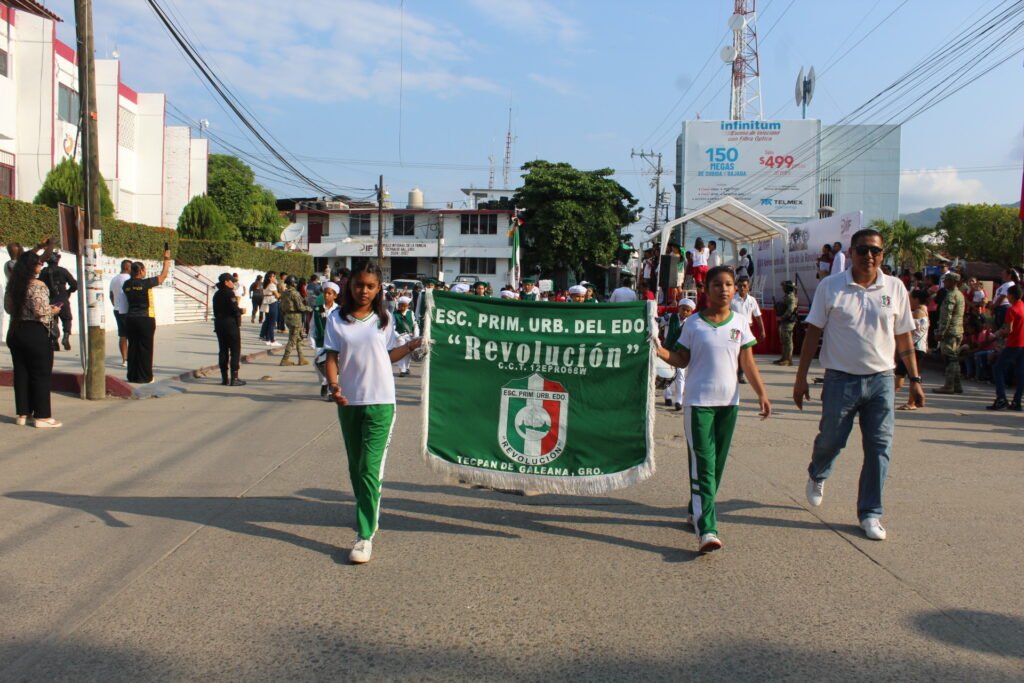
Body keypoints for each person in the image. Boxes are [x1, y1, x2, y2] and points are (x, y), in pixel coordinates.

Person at [794, 228, 923, 542]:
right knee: (831, 440)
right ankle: (818, 473)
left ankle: (870, 513)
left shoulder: (895, 287)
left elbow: (904, 335)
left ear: (882, 255)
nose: (869, 256)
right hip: (840, 379)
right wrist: (800, 378)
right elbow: (813, 333)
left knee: (880, 448)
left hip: (882, 381)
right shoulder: (831, 286)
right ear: (851, 253)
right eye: (863, 250)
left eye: (875, 251)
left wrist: (915, 379)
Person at [655, 265, 771, 553]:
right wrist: (658, 350)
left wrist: (762, 393)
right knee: (704, 465)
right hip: (698, 404)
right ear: (706, 289)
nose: (724, 289)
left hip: (728, 404)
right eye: (717, 284)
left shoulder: (740, 322)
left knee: (716, 465)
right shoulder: (693, 324)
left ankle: (695, 509)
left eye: (729, 284)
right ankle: (707, 528)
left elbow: (747, 362)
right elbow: (681, 359)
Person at [323, 261, 422, 564]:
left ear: (379, 289)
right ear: (349, 286)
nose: (363, 291)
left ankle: (364, 535)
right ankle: (366, 509)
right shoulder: (336, 318)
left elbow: (387, 355)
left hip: (381, 401)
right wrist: (334, 386)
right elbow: (331, 356)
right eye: (359, 285)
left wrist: (413, 345)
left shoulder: (384, 318)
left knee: (369, 467)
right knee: (356, 467)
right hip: (349, 402)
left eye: (370, 286)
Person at [4, 250, 63, 427]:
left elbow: (8, 308)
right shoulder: (37, 285)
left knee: (21, 373)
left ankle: (23, 413)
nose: (41, 265)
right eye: (38, 262)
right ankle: (42, 416)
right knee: (40, 373)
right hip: (35, 331)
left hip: (16, 330)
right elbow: (40, 311)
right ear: (33, 266)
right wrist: (53, 310)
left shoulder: (13, 284)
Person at [122, 250, 172, 384]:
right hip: (145, 318)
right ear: (141, 271)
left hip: (130, 318)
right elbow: (163, 276)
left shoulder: (126, 285)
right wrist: (166, 260)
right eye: (144, 270)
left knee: (133, 347)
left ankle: (132, 375)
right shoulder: (145, 283)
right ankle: (145, 376)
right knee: (145, 348)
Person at [987, 285, 1024, 411]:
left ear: (1011, 296)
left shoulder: (1012, 310)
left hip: (1014, 343)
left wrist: (996, 334)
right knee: (1020, 372)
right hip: (1023, 343)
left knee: (998, 368)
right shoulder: (1023, 306)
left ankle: (1001, 398)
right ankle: (1017, 401)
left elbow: (1008, 330)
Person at [895, 289, 929, 410]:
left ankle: (909, 402)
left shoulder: (917, 313)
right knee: (911, 375)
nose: (908, 301)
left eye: (910, 298)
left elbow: (906, 330)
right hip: (919, 347)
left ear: (916, 299)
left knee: (901, 374)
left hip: (913, 348)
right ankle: (911, 402)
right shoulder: (924, 310)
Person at [934, 272, 966, 395]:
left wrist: (941, 331)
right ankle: (957, 385)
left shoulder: (951, 296)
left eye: (946, 280)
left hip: (950, 331)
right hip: (958, 330)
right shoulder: (960, 294)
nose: (944, 282)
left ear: (953, 282)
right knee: (954, 358)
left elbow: (946, 316)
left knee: (949, 359)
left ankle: (949, 385)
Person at [212, 273, 246, 387]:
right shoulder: (229, 293)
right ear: (226, 282)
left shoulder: (216, 294)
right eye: (231, 281)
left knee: (223, 350)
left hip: (219, 324)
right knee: (235, 350)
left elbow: (216, 311)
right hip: (230, 324)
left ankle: (224, 378)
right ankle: (234, 378)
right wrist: (241, 311)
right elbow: (234, 309)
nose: (233, 283)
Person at [662, 297, 695, 410]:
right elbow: (658, 321)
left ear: (691, 312)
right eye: (683, 309)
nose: (685, 312)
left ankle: (679, 400)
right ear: (679, 308)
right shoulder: (670, 317)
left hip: (681, 352)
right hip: (667, 350)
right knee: (666, 373)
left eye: (688, 310)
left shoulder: (691, 323)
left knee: (680, 376)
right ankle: (667, 396)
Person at [40, 252, 77, 351]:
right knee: (67, 319)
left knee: (52, 320)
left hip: (49, 299)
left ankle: (54, 341)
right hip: (62, 298)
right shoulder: (63, 271)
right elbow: (74, 284)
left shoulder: (43, 272)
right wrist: (68, 291)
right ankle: (66, 336)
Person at [731, 275, 765, 383]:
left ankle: (740, 374)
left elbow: (757, 316)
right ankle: (733, 374)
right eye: (740, 285)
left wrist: (762, 330)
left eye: (744, 286)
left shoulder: (752, 300)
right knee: (734, 351)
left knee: (744, 352)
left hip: (747, 329)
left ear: (748, 286)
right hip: (734, 329)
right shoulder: (732, 299)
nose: (742, 288)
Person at [311, 281, 340, 399]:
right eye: (325, 293)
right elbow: (312, 326)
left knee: (333, 365)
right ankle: (324, 382)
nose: (326, 295)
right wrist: (311, 340)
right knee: (317, 364)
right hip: (320, 341)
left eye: (329, 293)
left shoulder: (339, 310)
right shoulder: (317, 309)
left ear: (335, 295)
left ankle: (331, 390)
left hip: (334, 343)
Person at [278, 276, 311, 366]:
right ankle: (284, 359)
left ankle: (301, 358)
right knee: (292, 339)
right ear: (293, 283)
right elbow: (300, 307)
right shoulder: (295, 293)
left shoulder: (284, 293)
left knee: (299, 338)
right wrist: (309, 308)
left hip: (288, 316)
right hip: (295, 318)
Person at [109, 259, 132, 367]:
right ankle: (132, 358)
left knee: (122, 335)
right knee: (132, 335)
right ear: (127, 267)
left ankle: (124, 359)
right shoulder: (129, 279)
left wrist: (115, 305)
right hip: (128, 309)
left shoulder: (114, 279)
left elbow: (111, 295)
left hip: (117, 309)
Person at [773, 280, 798, 366]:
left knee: (788, 340)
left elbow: (790, 309)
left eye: (784, 287)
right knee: (783, 340)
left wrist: (782, 317)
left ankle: (788, 359)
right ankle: (784, 357)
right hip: (785, 321)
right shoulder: (787, 296)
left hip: (788, 321)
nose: (783, 288)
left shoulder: (791, 297)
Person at [393, 296, 419, 377]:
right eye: (400, 305)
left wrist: (416, 335)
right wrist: (398, 336)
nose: (401, 307)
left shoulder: (410, 313)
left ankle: (406, 367)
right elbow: (392, 327)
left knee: (408, 353)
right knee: (401, 352)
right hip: (400, 336)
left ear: (408, 306)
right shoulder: (394, 314)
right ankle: (402, 370)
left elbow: (415, 325)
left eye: (404, 305)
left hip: (410, 336)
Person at [260, 272, 282, 347]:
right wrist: (282, 293)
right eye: (273, 276)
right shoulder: (272, 285)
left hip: (267, 303)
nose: (275, 278)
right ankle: (272, 340)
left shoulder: (265, 284)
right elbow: (277, 295)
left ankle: (268, 339)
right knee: (272, 323)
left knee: (269, 321)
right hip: (272, 303)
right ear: (270, 278)